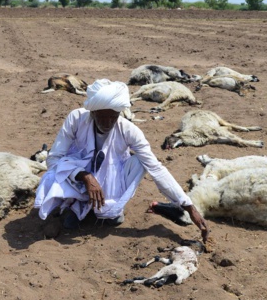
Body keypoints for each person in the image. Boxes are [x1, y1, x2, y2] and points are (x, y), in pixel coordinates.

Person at [34, 79, 208, 241]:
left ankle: (110, 207)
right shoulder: (76, 119)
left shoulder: (128, 130)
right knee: (51, 175)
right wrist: (83, 176)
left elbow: (157, 169)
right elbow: (54, 159)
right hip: (78, 178)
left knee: (141, 162)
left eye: (113, 117)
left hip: (111, 178)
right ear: (93, 112)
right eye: (102, 117)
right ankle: (75, 206)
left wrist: (189, 207)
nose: (108, 122)